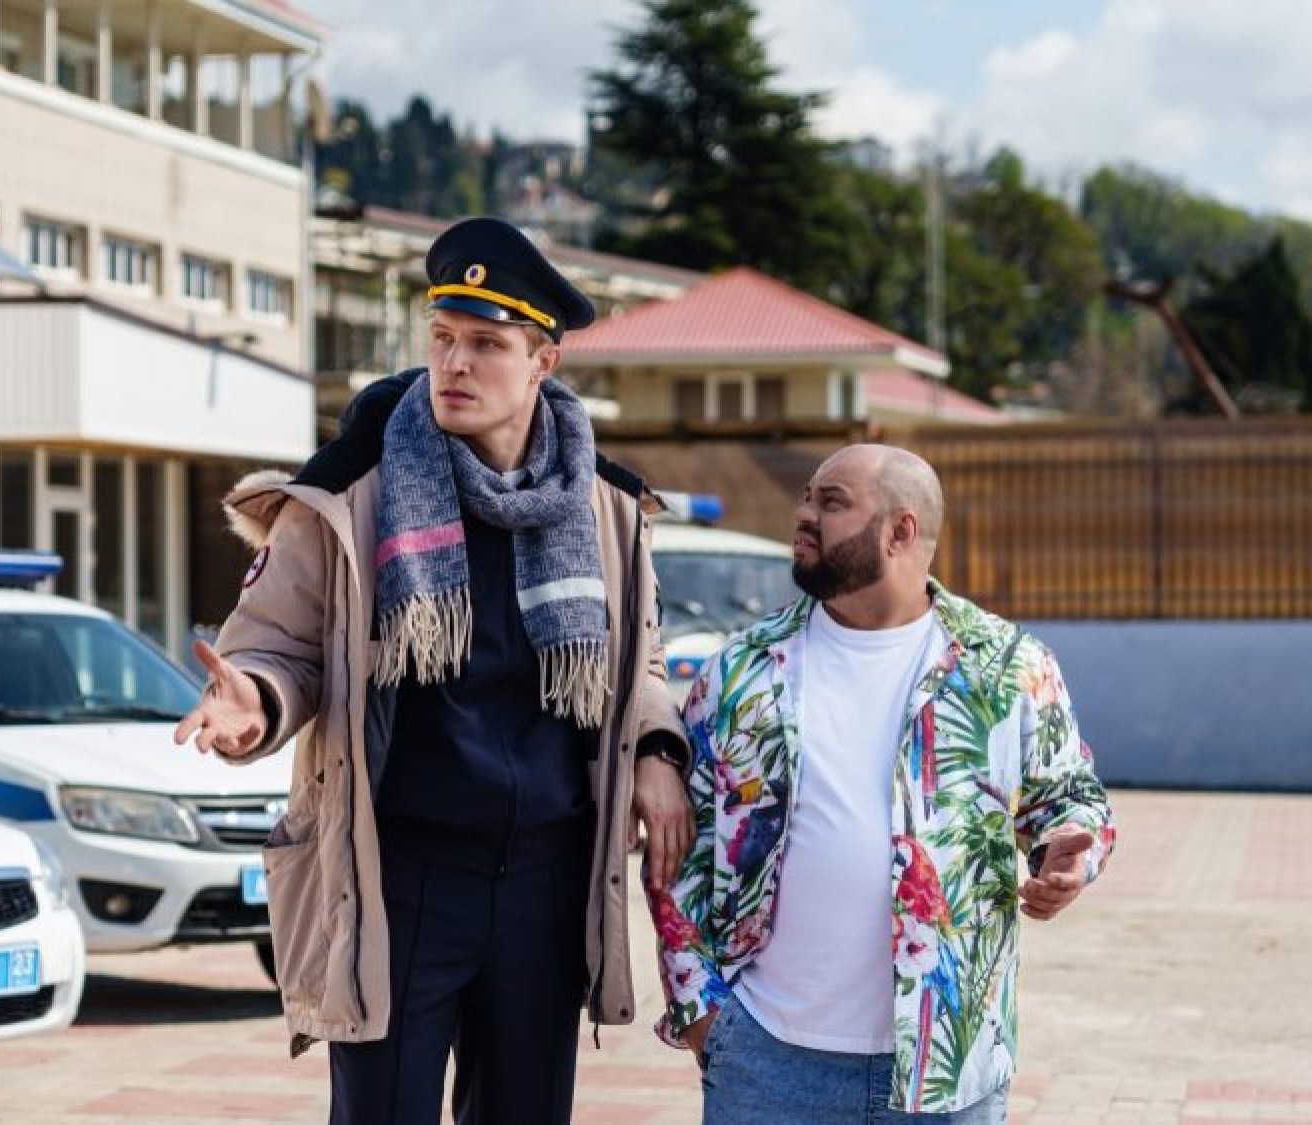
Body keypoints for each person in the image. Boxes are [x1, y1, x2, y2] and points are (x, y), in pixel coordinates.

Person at [173, 216, 693, 1125]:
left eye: (486, 344)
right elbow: (277, 646)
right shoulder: (351, 490)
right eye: (443, 338)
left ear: (543, 362)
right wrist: (252, 700)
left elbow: (637, 659)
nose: (455, 363)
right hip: (401, 875)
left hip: (547, 879)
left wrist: (655, 749)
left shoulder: (607, 507)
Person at [647, 443, 1116, 1123]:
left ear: (900, 530)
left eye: (831, 502)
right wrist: (702, 1013)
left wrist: (1068, 857)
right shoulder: (742, 670)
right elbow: (680, 846)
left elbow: (1071, 799)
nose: (804, 515)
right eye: (806, 497)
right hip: (767, 1063)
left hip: (948, 1065)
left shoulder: (1007, 666)